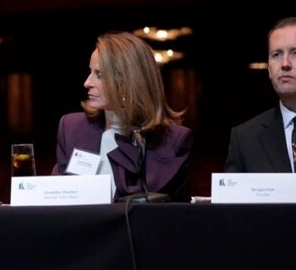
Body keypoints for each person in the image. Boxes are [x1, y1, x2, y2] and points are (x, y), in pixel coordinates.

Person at [52, 32, 193, 200]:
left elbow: (153, 208)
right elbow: (57, 198)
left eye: (99, 75)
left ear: (128, 82)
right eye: (90, 72)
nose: (87, 82)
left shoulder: (174, 140)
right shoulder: (72, 128)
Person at [225, 17, 296, 189]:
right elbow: (232, 213)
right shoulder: (245, 137)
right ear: (269, 69)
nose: (285, 64)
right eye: (276, 55)